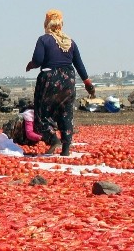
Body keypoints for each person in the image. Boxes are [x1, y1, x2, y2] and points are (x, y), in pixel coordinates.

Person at [25, 9, 95, 156]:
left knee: (42, 113)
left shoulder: (44, 39)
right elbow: (79, 65)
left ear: (46, 23)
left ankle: (52, 138)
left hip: (50, 79)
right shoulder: (70, 42)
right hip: (68, 80)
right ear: (61, 24)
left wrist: (31, 65)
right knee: (66, 112)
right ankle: (66, 148)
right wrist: (88, 83)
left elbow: (38, 60)